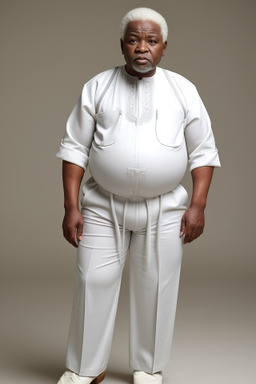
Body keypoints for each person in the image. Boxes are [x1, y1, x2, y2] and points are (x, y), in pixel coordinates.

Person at [56, 7, 220, 384]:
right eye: (133, 40)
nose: (141, 47)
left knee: (157, 287)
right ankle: (85, 369)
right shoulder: (97, 86)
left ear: (164, 48)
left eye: (150, 41)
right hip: (101, 206)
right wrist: (70, 206)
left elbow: (204, 151)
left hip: (165, 208)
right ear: (122, 46)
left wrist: (197, 205)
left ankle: (148, 368)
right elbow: (74, 148)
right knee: (91, 282)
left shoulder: (183, 90)